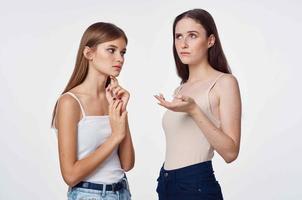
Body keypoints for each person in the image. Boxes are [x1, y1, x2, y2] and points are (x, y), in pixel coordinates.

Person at [154, 9, 242, 200]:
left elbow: (230, 152)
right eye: (178, 36)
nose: (183, 44)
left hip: (195, 185)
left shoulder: (224, 82)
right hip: (166, 182)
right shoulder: (181, 89)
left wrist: (194, 110)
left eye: (192, 36)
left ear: (210, 40)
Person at [51, 22, 134, 200]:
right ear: (89, 53)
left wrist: (121, 110)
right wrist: (115, 138)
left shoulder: (113, 98)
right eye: (111, 50)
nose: (120, 58)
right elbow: (70, 175)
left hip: (122, 191)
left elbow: (127, 164)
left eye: (123, 52)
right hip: (90, 195)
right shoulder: (70, 102)